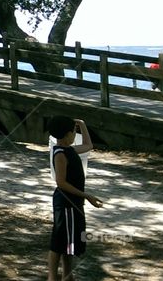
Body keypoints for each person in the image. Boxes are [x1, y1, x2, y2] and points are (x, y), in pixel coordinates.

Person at [47, 116, 103, 281]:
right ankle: (52, 277)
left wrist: (82, 125)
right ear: (66, 134)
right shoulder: (60, 153)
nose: (75, 134)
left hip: (74, 202)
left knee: (68, 241)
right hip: (66, 202)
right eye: (74, 131)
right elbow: (61, 183)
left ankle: (67, 275)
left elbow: (88, 145)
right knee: (58, 242)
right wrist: (87, 196)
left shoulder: (69, 149)